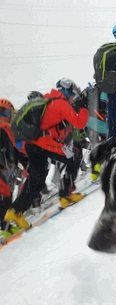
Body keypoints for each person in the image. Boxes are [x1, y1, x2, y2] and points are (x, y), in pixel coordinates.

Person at [4, 78, 89, 230]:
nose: (73, 99)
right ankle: (65, 196)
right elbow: (79, 123)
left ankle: (15, 211)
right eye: (72, 95)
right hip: (45, 143)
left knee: (37, 179)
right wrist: (83, 108)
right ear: (67, 91)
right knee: (74, 157)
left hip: (32, 144)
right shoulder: (60, 103)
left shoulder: (47, 100)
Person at [0, 99, 27, 231]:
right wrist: (26, 160)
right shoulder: (5, 127)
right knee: (5, 193)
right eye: (10, 113)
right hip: (3, 168)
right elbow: (15, 147)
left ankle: (5, 226)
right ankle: (5, 228)